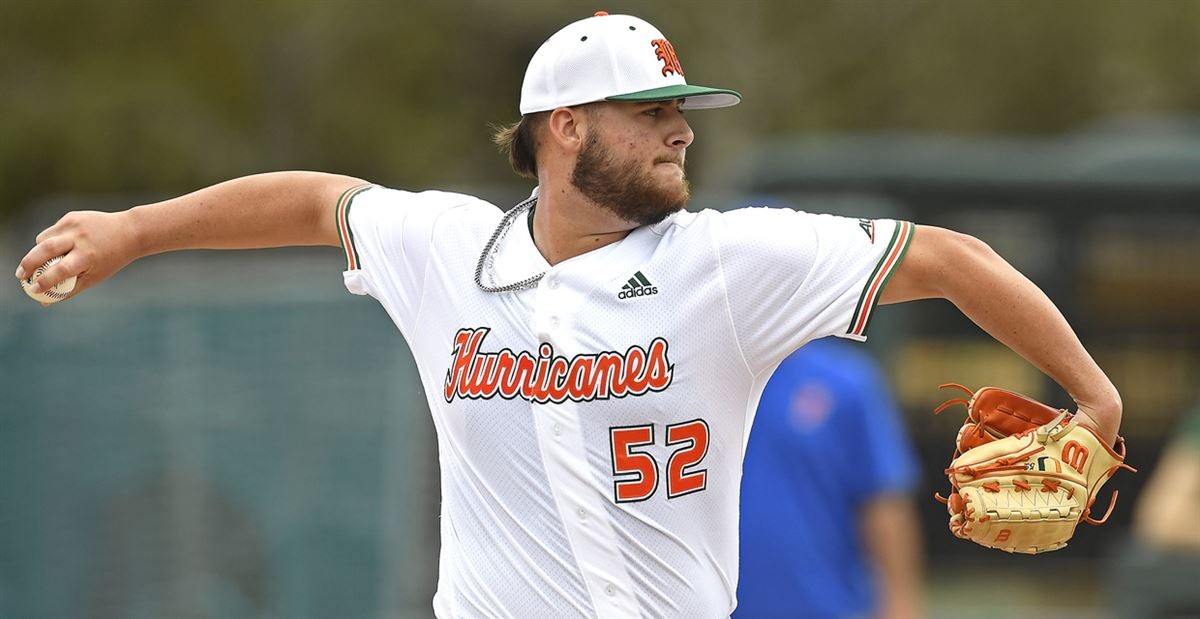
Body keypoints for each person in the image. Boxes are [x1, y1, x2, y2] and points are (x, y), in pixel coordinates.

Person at [15, 11, 1122, 618]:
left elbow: (957, 258)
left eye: (682, 113)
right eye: (651, 113)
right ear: (565, 128)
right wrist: (133, 231)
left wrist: (1093, 392)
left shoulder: (732, 263)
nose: (680, 131)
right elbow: (314, 199)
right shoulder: (450, 248)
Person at [735, 339, 922, 619]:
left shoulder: (845, 380)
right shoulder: (694, 383)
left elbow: (884, 503)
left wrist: (899, 604)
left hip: (826, 608)